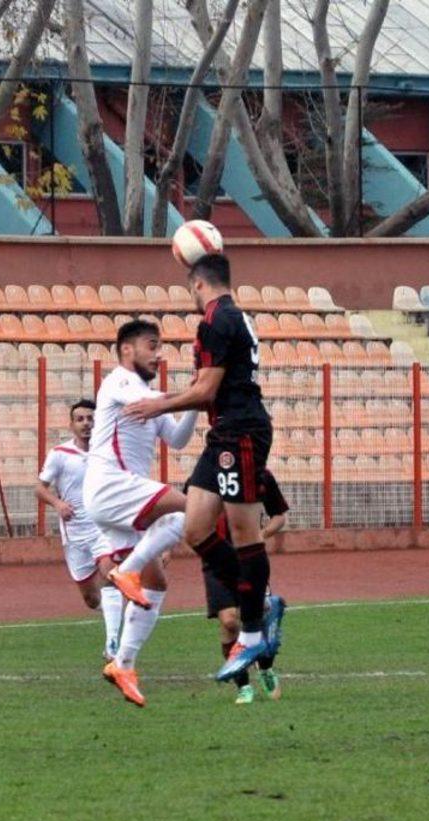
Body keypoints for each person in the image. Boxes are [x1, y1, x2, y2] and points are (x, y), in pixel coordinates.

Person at [124, 253, 273, 682]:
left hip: (240, 432)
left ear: (197, 285)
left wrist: (160, 404)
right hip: (224, 432)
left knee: (245, 532)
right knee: (194, 528)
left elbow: (207, 389)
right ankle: (258, 600)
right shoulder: (234, 316)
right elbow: (210, 389)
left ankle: (251, 630)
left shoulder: (214, 320)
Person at [83, 319, 199, 706]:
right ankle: (128, 568)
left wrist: (197, 404)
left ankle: (123, 663)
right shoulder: (118, 381)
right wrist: (199, 390)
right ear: (127, 350)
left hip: (118, 497)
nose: (159, 353)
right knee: (191, 507)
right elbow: (150, 405)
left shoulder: (151, 394)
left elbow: (178, 440)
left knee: (158, 584)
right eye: (152, 345)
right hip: (110, 485)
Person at [35, 399, 124, 661]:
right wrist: (58, 503)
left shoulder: (108, 452)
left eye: (90, 418)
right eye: (80, 419)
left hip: (103, 529)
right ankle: (114, 617)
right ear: (72, 424)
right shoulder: (60, 454)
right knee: (90, 598)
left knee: (110, 575)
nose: (86, 423)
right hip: (75, 535)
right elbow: (39, 488)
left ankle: (112, 644)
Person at [202, 468, 289, 705]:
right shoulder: (205, 475)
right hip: (216, 560)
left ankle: (265, 668)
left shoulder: (261, 475)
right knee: (230, 622)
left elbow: (279, 516)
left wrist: (262, 534)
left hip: (250, 557)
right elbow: (186, 514)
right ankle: (243, 686)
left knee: (259, 617)